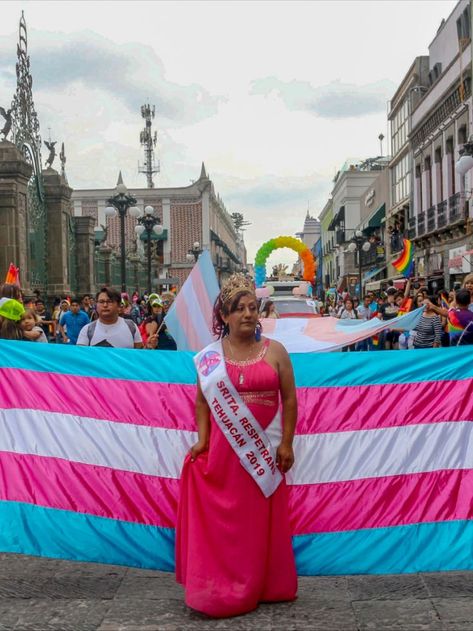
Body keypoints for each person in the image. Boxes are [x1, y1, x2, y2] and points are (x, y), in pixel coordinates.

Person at [176, 273, 298, 617]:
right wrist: (202, 439)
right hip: (225, 453)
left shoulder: (275, 352)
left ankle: (263, 584)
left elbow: (289, 399)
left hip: (265, 452)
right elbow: (202, 401)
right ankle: (222, 585)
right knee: (227, 523)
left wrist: (286, 444)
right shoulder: (210, 358)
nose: (248, 314)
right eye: (239, 309)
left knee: (259, 523)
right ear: (224, 317)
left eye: (252, 308)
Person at [77, 287, 145, 348]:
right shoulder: (87, 330)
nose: (105, 305)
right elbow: (80, 358)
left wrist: (149, 347)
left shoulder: (131, 326)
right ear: (96, 305)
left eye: (109, 301)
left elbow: (140, 355)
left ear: (118, 306)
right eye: (101, 302)